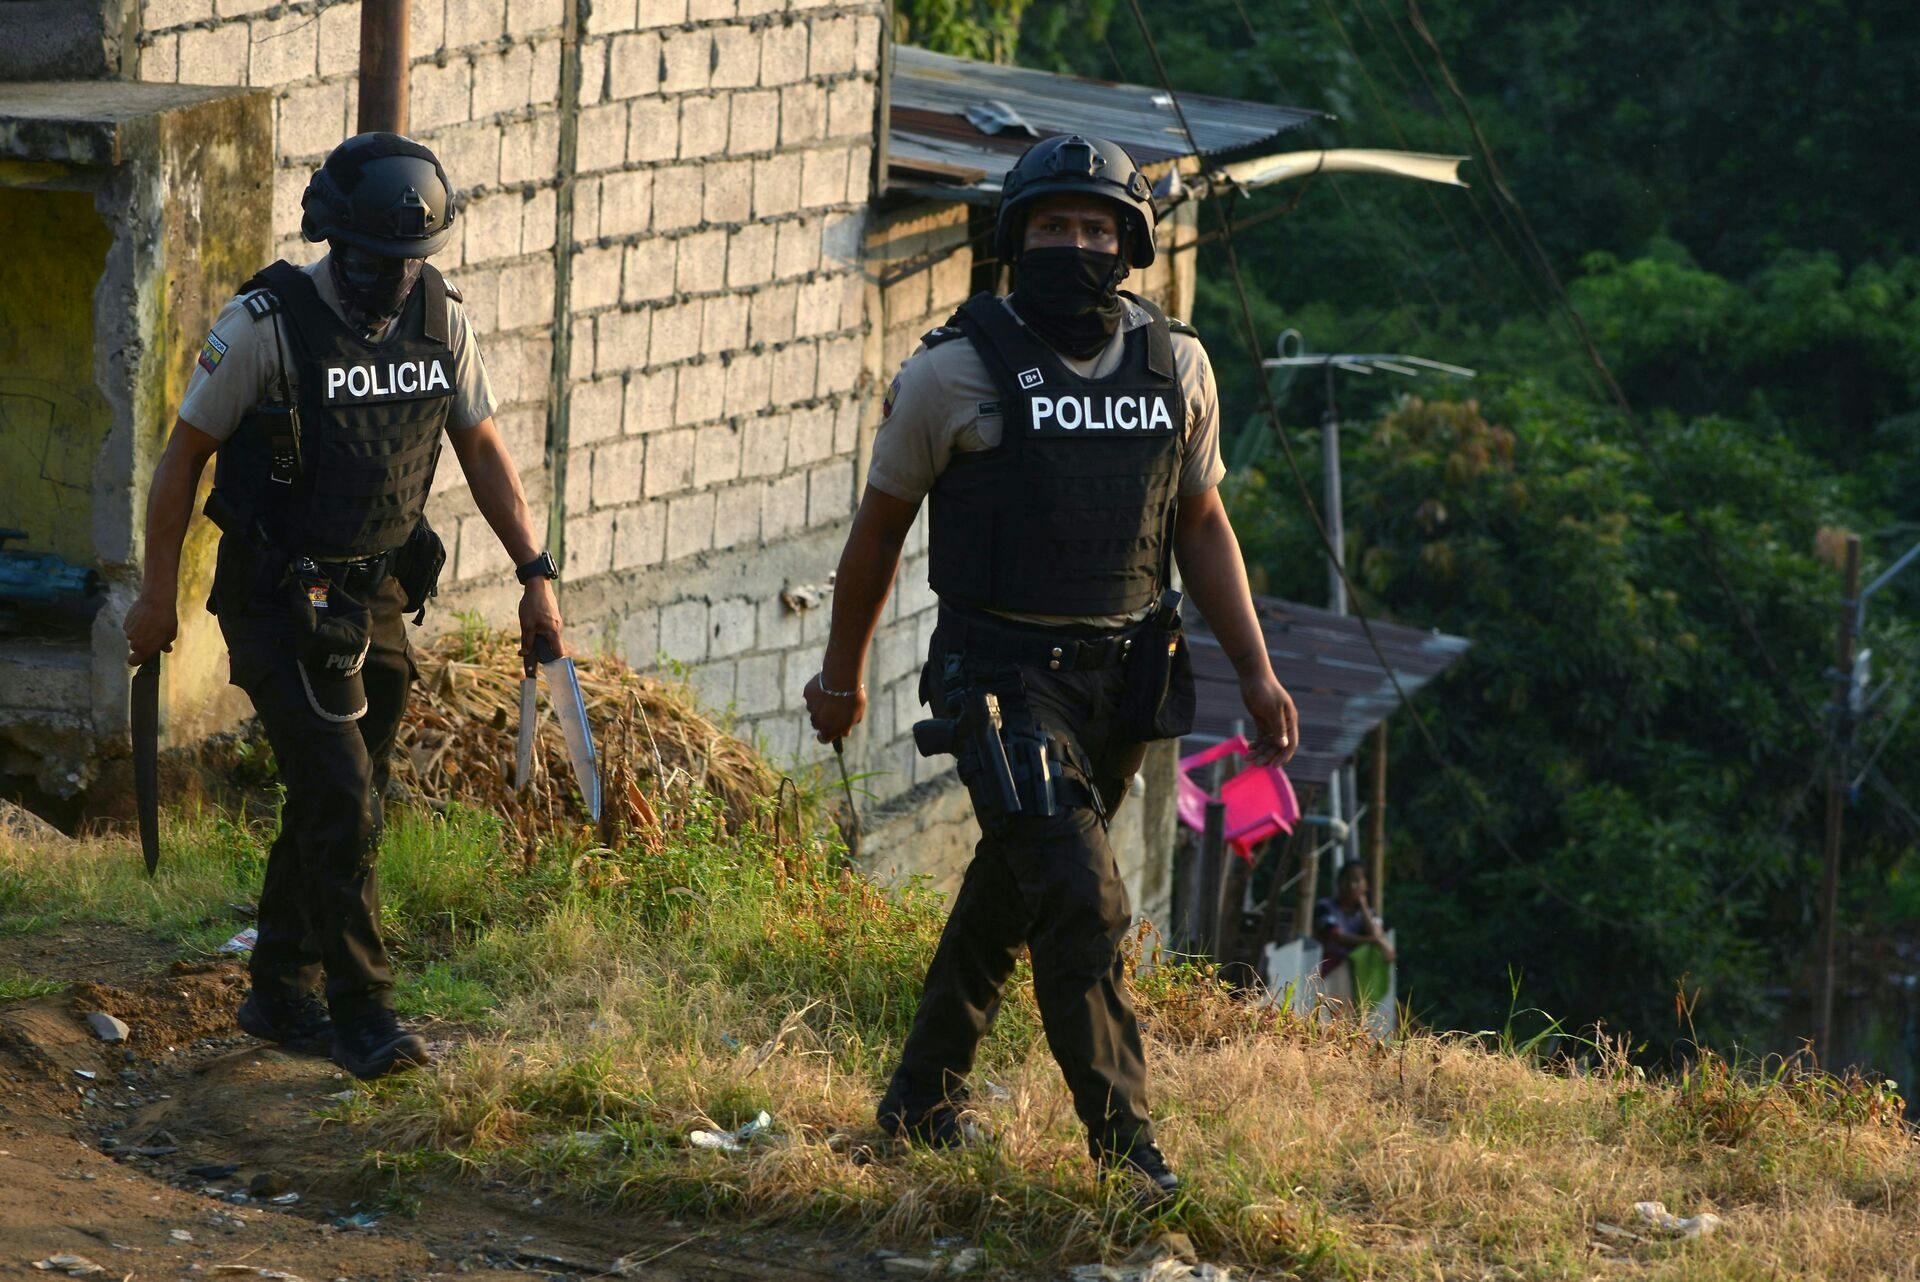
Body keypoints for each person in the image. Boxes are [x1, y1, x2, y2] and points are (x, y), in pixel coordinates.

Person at [803, 134, 1300, 1205]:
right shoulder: (950, 372)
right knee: (1080, 898)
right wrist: (841, 677)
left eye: (1095, 227)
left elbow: (1202, 522)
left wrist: (1256, 671)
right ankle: (1128, 1155)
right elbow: (878, 536)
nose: (1075, 243)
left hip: (1122, 679)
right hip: (999, 677)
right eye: (1052, 226)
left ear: (1130, 244)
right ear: (1013, 239)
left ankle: (919, 1100)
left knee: (1013, 886)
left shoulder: (1178, 365)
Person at [121, 133, 567, 1080]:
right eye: (372, 262)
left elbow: (481, 448)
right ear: (332, 240)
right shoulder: (263, 327)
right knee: (341, 794)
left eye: (409, 264)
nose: (391, 282)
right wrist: (156, 596)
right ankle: (363, 1011)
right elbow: (179, 463)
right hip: (277, 596)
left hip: (377, 595)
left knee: (338, 793)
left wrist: (535, 568)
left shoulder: (443, 324)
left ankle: (278, 986)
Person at [1314, 860, 1396, 987]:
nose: (1352, 886)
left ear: (1366, 885)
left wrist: (1363, 906)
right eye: (1347, 880)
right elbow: (1337, 937)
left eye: (1357, 881)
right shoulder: (1324, 908)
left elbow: (1376, 933)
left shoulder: (1369, 914)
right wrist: (1373, 941)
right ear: (1339, 881)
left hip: (1359, 976)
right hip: (1328, 973)